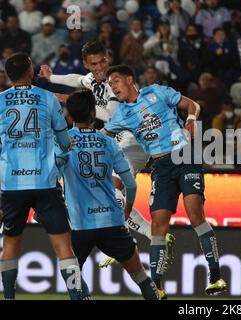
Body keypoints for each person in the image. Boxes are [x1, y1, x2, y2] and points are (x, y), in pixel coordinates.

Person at [38, 41, 175, 269]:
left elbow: (112, 116)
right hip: (116, 139)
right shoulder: (91, 79)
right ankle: (132, 237)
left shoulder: (115, 82)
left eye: (103, 61)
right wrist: (52, 79)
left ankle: (141, 237)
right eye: (94, 64)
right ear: (87, 64)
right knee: (108, 191)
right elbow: (77, 79)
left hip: (133, 140)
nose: (100, 67)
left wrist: (71, 100)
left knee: (111, 186)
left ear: (108, 58)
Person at [102, 65, 227, 297]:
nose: (113, 86)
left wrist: (190, 119)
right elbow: (101, 138)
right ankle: (157, 286)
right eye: (110, 84)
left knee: (194, 213)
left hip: (184, 155)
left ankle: (216, 276)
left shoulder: (156, 92)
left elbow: (193, 104)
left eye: (116, 81)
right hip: (160, 166)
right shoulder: (120, 114)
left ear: (129, 79)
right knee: (158, 225)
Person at [57, 90, 160, 300]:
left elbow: (50, 178)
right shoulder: (108, 142)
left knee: (70, 274)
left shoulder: (63, 143)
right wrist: (128, 208)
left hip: (80, 225)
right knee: (140, 276)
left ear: (69, 116)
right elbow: (130, 184)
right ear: (93, 114)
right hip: (113, 222)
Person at [0, 53, 83, 300]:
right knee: (63, 246)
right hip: (45, 181)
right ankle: (76, 297)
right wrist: (64, 150)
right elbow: (64, 139)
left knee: (12, 242)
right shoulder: (47, 98)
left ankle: (10, 298)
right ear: (30, 72)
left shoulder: (0, 102)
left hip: (12, 183)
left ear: (7, 75)